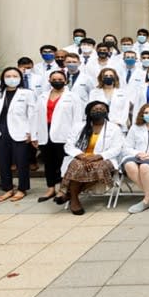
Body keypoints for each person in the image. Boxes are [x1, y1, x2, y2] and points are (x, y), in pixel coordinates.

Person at [56, 101, 124, 215]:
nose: (98, 111)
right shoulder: (79, 126)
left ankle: (70, 194)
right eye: (94, 110)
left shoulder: (114, 128)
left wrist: (98, 157)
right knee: (76, 165)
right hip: (80, 157)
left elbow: (117, 148)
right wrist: (82, 156)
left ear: (107, 112)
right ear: (88, 113)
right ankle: (74, 200)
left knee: (98, 168)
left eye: (101, 109)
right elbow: (69, 145)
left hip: (104, 159)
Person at [0, 67, 38, 203]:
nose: (11, 79)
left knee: (21, 162)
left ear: (20, 78)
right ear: (3, 78)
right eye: (8, 76)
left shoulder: (27, 93)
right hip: (0, 132)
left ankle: (22, 189)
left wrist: (32, 133)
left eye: (15, 76)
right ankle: (7, 188)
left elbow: (33, 115)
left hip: (21, 132)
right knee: (3, 163)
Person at [34, 70, 82, 203]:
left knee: (63, 163)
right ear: (49, 81)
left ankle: (63, 189)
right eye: (54, 79)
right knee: (48, 162)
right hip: (45, 132)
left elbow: (78, 119)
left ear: (66, 81)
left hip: (65, 134)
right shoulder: (43, 96)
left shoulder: (72, 97)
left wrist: (75, 137)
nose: (57, 81)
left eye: (60, 79)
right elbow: (35, 116)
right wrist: (34, 135)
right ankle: (50, 188)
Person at [88, 68, 131, 132]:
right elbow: (92, 109)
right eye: (106, 76)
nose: (108, 77)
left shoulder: (123, 93)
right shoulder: (94, 93)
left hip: (119, 126)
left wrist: (119, 123)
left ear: (115, 78)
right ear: (101, 78)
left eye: (111, 76)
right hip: (99, 126)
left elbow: (125, 110)